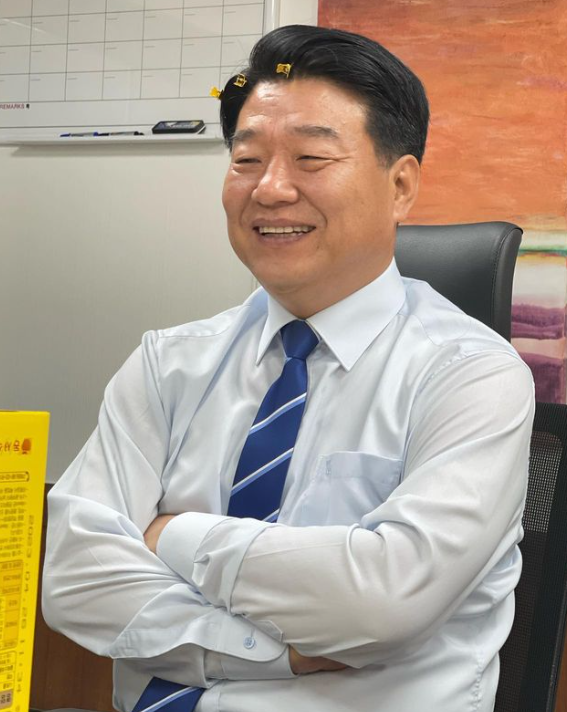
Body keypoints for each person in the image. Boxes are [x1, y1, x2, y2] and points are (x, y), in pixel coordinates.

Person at [42, 24, 534, 712]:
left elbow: (383, 602)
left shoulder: (472, 376)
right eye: (247, 159)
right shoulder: (168, 362)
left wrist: (168, 534)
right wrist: (276, 654)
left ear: (400, 185)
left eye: (310, 158)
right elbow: (76, 578)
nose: (270, 189)